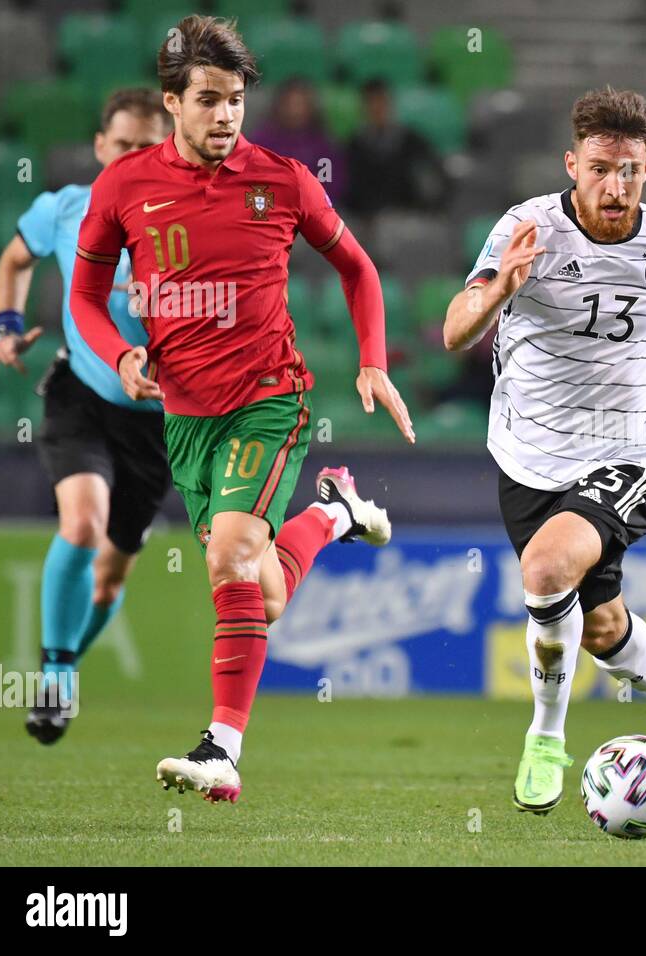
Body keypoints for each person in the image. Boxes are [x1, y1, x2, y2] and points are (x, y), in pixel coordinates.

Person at [70, 16, 414, 802]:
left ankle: (221, 749)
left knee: (227, 556)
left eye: (236, 101)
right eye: (210, 100)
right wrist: (120, 355)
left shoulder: (284, 179)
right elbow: (87, 296)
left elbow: (358, 269)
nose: (227, 116)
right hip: (185, 419)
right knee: (262, 590)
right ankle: (333, 514)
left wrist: (372, 361)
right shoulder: (124, 188)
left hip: (270, 400)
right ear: (172, 104)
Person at [443, 86, 646, 813]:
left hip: (628, 446)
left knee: (547, 565)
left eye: (630, 171)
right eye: (599, 169)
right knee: (601, 626)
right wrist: (498, 295)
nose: (614, 187)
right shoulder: (526, 228)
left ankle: (545, 739)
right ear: (572, 163)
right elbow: (454, 331)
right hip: (527, 450)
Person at [0, 89, 170, 744]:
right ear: (101, 148)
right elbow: (13, 259)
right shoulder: (66, 208)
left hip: (160, 422)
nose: (134, 157)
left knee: (110, 575)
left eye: (149, 147)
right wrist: (6, 325)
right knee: (83, 522)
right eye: (123, 145)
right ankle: (57, 674)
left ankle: (63, 659)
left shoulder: (189, 221)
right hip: (82, 396)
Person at [345, 78, 449, 215]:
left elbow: (429, 182)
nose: (377, 109)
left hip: (407, 217)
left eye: (382, 103)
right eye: (372, 104)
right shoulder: (355, 146)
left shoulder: (413, 142)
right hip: (366, 218)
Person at [250, 77, 346, 204]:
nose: (294, 111)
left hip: (314, 212)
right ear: (279, 106)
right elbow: (252, 179)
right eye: (290, 104)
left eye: (300, 104)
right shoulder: (262, 142)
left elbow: (331, 183)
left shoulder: (323, 145)